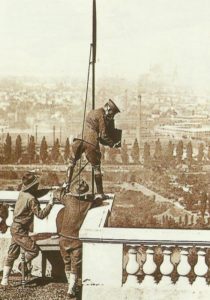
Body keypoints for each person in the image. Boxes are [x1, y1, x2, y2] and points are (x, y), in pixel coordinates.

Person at [1, 172, 54, 287]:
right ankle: (22, 265)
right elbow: (40, 215)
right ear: (33, 186)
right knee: (33, 250)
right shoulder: (31, 199)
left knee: (12, 254)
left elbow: (36, 193)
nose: (37, 187)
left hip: (15, 228)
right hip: (20, 231)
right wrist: (50, 204)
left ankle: (4, 280)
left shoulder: (22, 193)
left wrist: (50, 190)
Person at [57, 179, 102, 298]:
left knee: (67, 262)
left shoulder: (68, 199)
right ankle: (71, 288)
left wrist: (63, 186)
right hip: (77, 240)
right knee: (75, 265)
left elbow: (57, 193)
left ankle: (70, 286)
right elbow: (99, 200)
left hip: (63, 238)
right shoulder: (88, 202)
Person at [67, 99, 121, 196]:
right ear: (108, 108)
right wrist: (112, 144)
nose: (112, 116)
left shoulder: (92, 112)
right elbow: (103, 135)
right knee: (96, 168)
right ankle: (100, 193)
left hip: (78, 139)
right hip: (91, 143)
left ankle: (66, 187)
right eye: (112, 113)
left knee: (71, 163)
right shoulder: (102, 116)